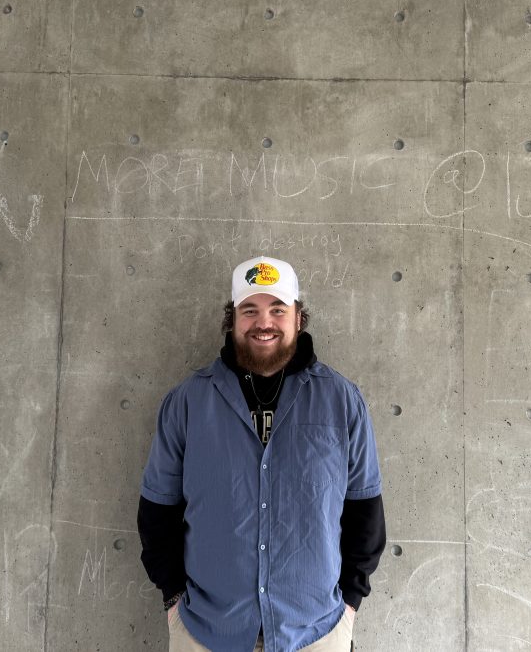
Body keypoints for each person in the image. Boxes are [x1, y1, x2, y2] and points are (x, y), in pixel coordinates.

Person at [137, 255, 386, 652]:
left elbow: (365, 512)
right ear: (232, 319)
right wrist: (173, 600)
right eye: (249, 310)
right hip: (206, 631)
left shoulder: (341, 401)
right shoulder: (188, 402)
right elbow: (157, 512)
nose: (264, 322)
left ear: (298, 318)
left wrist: (350, 607)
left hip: (316, 633)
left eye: (277, 309)